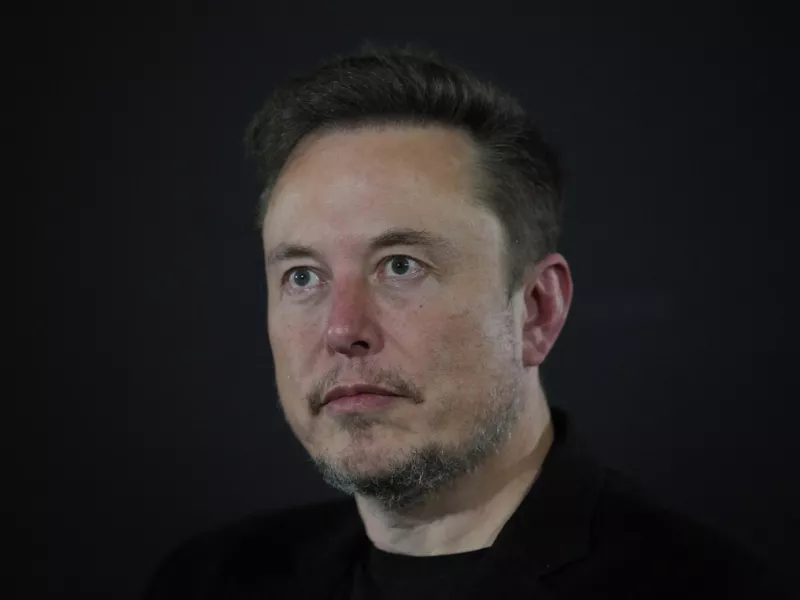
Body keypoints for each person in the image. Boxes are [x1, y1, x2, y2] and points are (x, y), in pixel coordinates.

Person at [144, 43, 788, 599]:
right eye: (303, 276)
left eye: (401, 266)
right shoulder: (208, 582)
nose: (342, 330)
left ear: (537, 310)